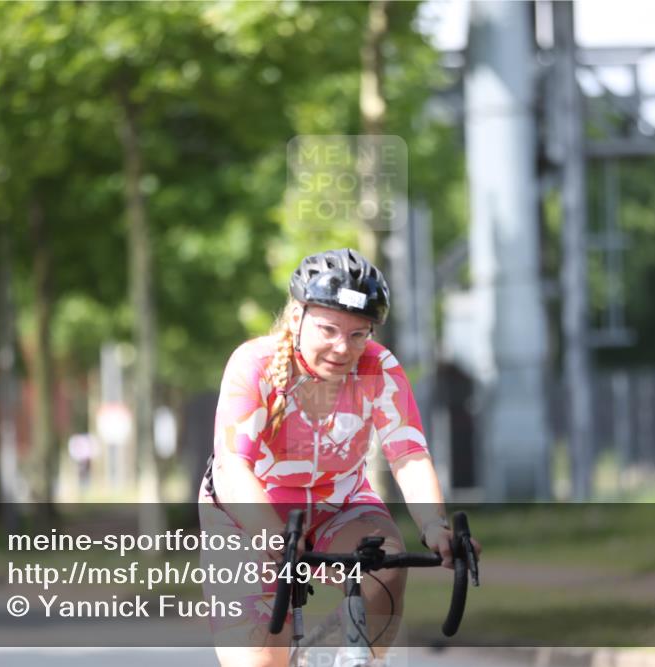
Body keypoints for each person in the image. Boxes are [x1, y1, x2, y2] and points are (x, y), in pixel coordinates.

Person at [198, 248, 480, 667]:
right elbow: (232, 465)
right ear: (296, 318)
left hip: (339, 505)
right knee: (260, 662)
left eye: (357, 334)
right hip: (248, 513)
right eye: (328, 329)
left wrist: (434, 525)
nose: (341, 348)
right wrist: (271, 534)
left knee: (385, 567)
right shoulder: (252, 365)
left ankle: (361, 661)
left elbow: (408, 454)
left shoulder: (379, 369)